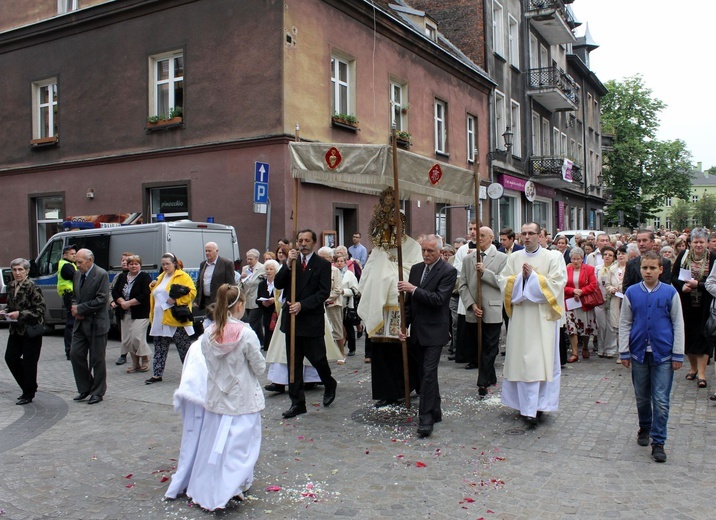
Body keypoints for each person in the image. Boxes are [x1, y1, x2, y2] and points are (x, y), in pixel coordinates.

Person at [183, 284, 266, 510]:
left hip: (218, 397)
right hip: (242, 398)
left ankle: (218, 481)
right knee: (242, 445)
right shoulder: (246, 334)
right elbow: (259, 367)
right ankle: (232, 484)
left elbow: (209, 363)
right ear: (239, 305)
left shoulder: (208, 333)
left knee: (216, 443)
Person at [498, 223, 566, 426]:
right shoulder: (514, 258)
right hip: (520, 318)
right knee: (520, 362)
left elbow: (557, 283)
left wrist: (533, 277)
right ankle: (523, 406)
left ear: (541, 236)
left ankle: (539, 406)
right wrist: (521, 278)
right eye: (524, 234)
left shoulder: (553, 257)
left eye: (531, 234)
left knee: (539, 362)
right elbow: (503, 281)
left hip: (542, 318)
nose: (527, 237)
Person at [620, 251, 684, 463]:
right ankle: (644, 427)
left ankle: (659, 441)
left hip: (663, 353)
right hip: (639, 353)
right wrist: (624, 350)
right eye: (645, 268)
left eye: (652, 268)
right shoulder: (631, 292)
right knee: (642, 396)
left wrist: (677, 353)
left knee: (661, 399)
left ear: (661, 270)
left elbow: (677, 323)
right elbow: (625, 322)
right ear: (640, 269)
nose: (648, 272)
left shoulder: (669, 293)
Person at [273, 229, 338, 419]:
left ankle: (329, 382)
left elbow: (323, 292)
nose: (303, 243)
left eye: (307, 240)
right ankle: (297, 403)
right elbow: (278, 284)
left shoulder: (322, 265)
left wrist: (303, 305)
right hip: (292, 320)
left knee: (318, 359)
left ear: (314, 243)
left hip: (310, 318)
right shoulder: (292, 262)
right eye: (300, 240)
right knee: (293, 363)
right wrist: (286, 265)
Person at [398, 234, 457, 438]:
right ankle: (436, 410)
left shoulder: (448, 271)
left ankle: (425, 419)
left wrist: (414, 289)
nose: (425, 254)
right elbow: (409, 304)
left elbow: (439, 300)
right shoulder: (416, 269)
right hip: (417, 332)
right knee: (425, 375)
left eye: (430, 251)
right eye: (423, 250)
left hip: (435, 331)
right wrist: (404, 325)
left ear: (440, 252)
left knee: (429, 374)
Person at [458, 227, 507, 396]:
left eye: (483, 236)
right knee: (478, 347)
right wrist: (471, 304)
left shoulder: (502, 258)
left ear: (491, 238)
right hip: (475, 309)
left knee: (490, 347)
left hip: (493, 309)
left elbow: (503, 282)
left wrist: (485, 272)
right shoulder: (468, 259)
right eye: (476, 235)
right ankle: (491, 376)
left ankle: (482, 381)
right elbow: (462, 284)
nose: (478, 238)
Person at [671, 227, 714, 388]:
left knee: (704, 336)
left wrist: (699, 285)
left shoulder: (713, 258)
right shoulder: (683, 256)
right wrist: (682, 286)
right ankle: (693, 368)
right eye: (695, 242)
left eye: (701, 242)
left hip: (706, 304)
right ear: (690, 243)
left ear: (707, 243)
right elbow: (673, 276)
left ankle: (702, 373)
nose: (698, 245)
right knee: (688, 335)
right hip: (687, 302)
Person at [146, 253, 197, 385]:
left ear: (174, 263)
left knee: (184, 348)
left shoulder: (182, 276)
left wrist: (177, 300)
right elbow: (157, 293)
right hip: (159, 318)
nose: (165, 266)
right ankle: (157, 374)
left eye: (167, 264)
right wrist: (152, 286)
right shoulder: (161, 276)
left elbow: (192, 293)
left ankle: (192, 374)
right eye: (163, 264)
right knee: (160, 347)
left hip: (175, 318)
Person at [3, 258, 46, 405]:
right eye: (14, 270)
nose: (17, 273)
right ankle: (29, 385)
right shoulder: (11, 286)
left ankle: (28, 393)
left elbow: (40, 310)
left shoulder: (32, 286)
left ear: (27, 271)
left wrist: (20, 314)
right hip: (16, 330)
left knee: (29, 363)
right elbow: (11, 305)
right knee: (10, 358)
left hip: (31, 330)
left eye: (20, 269)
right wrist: (5, 312)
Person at [69, 249, 110, 405]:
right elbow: (74, 295)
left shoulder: (101, 274)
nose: (77, 265)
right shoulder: (77, 274)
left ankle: (98, 392)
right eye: (76, 262)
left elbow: (102, 299)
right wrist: (74, 307)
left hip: (96, 323)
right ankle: (85, 387)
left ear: (90, 260)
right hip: (80, 322)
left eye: (80, 262)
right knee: (75, 354)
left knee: (97, 359)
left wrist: (81, 308)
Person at [111, 254, 152, 373]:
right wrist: (122, 302)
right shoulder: (122, 277)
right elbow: (115, 292)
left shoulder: (144, 277)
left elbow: (145, 294)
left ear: (140, 265)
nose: (133, 266)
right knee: (128, 340)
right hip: (124, 313)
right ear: (127, 266)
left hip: (140, 313)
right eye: (131, 264)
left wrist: (129, 303)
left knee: (136, 337)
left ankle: (145, 359)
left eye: (136, 264)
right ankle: (135, 363)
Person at [564, 247, 598, 363]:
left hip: (584, 301)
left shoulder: (589, 269)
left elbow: (593, 285)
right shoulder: (566, 270)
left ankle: (584, 347)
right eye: (573, 259)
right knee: (571, 327)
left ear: (582, 259)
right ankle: (574, 353)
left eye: (578, 259)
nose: (576, 261)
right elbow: (562, 285)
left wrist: (581, 291)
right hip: (570, 301)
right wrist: (573, 291)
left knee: (585, 327)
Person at [318, 246, 346, 362]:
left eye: (325, 257)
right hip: (319, 304)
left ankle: (342, 353)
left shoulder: (334, 271)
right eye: (320, 257)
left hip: (333, 303)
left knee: (336, 328)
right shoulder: (317, 269)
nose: (322, 260)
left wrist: (325, 297)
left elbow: (338, 289)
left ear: (330, 258)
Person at [195, 242, 235, 311]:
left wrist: (229, 301)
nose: (207, 253)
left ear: (217, 251)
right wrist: (197, 299)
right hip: (206, 301)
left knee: (218, 321)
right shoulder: (203, 264)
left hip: (220, 301)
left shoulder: (226, 264)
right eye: (206, 251)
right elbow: (199, 283)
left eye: (209, 251)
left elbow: (231, 284)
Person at [595, 246, 618, 358]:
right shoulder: (598, 268)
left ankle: (611, 349)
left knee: (611, 325)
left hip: (612, 298)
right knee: (601, 325)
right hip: (599, 299)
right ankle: (601, 347)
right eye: (605, 255)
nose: (607, 257)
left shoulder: (615, 269)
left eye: (610, 255)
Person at [240, 249, 265, 346]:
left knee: (251, 322)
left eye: (251, 259)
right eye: (247, 259)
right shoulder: (245, 268)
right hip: (247, 300)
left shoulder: (262, 268)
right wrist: (241, 278)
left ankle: (247, 343)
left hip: (257, 300)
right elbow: (242, 284)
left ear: (257, 259)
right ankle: (262, 342)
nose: (249, 261)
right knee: (257, 324)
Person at [112, 252, 133, 366]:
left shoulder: (138, 275)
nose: (124, 262)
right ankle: (123, 354)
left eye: (127, 260)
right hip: (121, 309)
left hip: (134, 309)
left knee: (134, 335)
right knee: (123, 333)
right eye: (123, 260)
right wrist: (112, 302)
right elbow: (112, 290)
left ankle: (138, 356)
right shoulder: (118, 276)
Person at [336, 255, 359, 356]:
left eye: (342, 261)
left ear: (345, 262)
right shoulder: (333, 273)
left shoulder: (349, 274)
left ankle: (352, 348)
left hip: (346, 304)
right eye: (338, 261)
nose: (340, 263)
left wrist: (343, 291)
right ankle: (339, 347)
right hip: (335, 303)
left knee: (348, 326)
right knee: (337, 326)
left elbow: (355, 290)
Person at [57, 245, 77, 360]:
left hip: (70, 295)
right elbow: (76, 277)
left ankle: (71, 349)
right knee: (71, 322)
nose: (74, 256)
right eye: (72, 254)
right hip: (69, 296)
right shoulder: (66, 265)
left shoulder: (69, 264)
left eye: (75, 254)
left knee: (72, 322)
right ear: (65, 255)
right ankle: (69, 350)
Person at [256, 259, 280, 351]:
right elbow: (257, 299)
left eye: (271, 269)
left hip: (277, 313)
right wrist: (263, 302)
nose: (269, 271)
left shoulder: (279, 283)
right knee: (268, 335)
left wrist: (275, 300)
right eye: (267, 269)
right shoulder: (262, 284)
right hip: (267, 313)